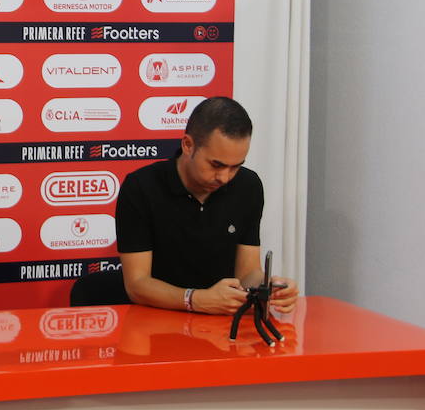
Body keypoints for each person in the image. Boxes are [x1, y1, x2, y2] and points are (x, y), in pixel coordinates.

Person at [113, 96, 298, 315]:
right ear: (188, 145)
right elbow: (137, 285)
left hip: (222, 327)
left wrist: (267, 289)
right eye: (216, 165)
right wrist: (195, 299)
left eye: (235, 167)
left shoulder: (249, 186)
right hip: (155, 325)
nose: (225, 177)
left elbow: (248, 272)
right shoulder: (141, 187)